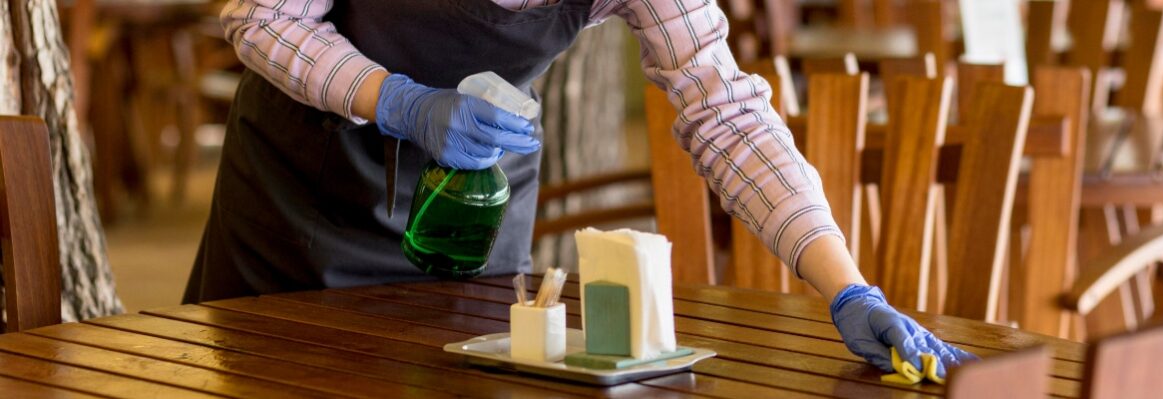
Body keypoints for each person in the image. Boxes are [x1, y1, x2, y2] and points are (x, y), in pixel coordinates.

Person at [186, 0, 977, 377]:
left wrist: (844, 284)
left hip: (474, 204)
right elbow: (259, 17)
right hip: (301, 192)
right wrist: (397, 101)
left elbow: (724, 111)